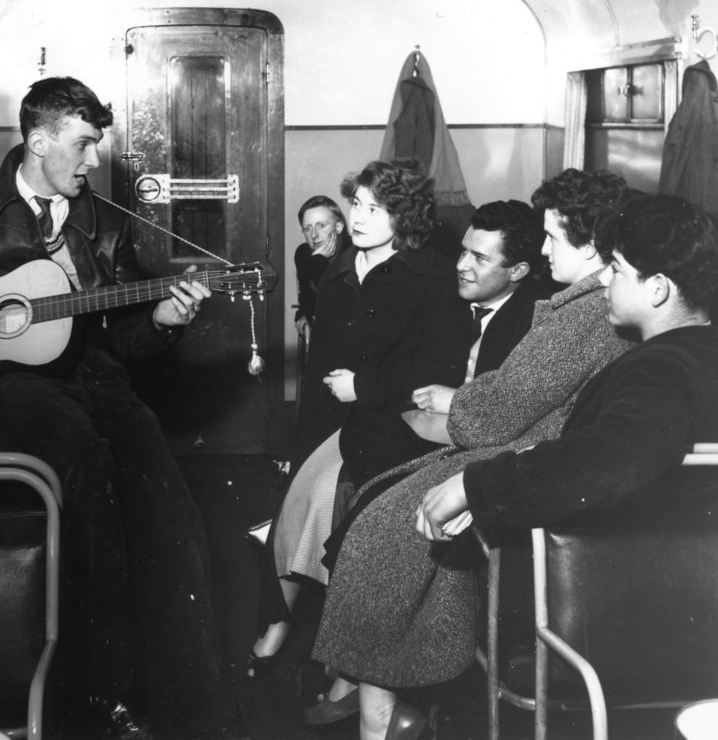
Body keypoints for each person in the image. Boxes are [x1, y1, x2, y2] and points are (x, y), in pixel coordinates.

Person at [0, 77, 237, 740]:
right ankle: (103, 690)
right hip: (2, 382)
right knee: (85, 462)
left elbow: (126, 341)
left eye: (95, 147)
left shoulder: (106, 224)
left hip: (94, 374)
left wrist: (165, 318)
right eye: (82, 145)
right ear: (37, 140)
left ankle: (198, 704)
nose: (92, 161)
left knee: (168, 498)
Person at [311, 168, 633, 740]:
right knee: (373, 504)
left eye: (554, 238)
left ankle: (381, 717)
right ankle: (380, 702)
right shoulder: (581, 303)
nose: (545, 248)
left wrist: (455, 405)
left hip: (515, 456)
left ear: (593, 248)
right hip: (516, 448)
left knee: (379, 524)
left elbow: (497, 411)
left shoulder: (580, 316)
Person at [406, 195, 717, 740]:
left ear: (659, 288)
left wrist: (473, 484)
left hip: (617, 619)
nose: (604, 284)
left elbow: (614, 458)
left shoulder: (660, 369)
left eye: (616, 271)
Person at [285, 199, 551, 726]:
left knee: (368, 505)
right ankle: (350, 668)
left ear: (518, 272)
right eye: (462, 252)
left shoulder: (533, 319)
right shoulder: (457, 300)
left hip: (478, 451)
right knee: (339, 472)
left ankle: (364, 687)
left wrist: (455, 400)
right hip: (432, 430)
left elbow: (498, 413)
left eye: (480, 258)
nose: (462, 265)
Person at [248, 160, 470, 680]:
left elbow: (439, 368)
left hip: (405, 422)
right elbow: (320, 371)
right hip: (340, 418)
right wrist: (296, 443)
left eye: (378, 208)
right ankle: (281, 625)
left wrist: (364, 388)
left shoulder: (434, 275)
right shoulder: (338, 268)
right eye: (357, 204)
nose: (361, 216)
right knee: (293, 499)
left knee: (335, 504)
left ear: (407, 216)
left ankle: (347, 660)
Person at [294, 195, 349, 345]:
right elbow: (306, 297)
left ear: (338, 227)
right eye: (308, 228)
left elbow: (339, 305)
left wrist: (318, 262)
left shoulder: (355, 253)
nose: (314, 235)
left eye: (321, 226)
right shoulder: (303, 253)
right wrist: (303, 315)